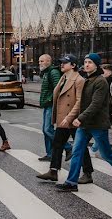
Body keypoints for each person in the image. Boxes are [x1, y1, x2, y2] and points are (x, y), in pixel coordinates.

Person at [56, 53, 112, 193]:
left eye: (90, 62)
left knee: (107, 154)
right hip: (86, 124)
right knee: (77, 151)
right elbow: (82, 102)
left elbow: (96, 104)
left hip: (97, 124)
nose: (87, 64)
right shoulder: (89, 79)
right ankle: (71, 182)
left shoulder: (100, 81)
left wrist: (80, 118)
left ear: (96, 65)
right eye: (86, 62)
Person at [36, 54, 93, 183]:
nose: (61, 65)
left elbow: (80, 101)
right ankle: (53, 171)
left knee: (81, 146)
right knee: (57, 144)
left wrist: (69, 117)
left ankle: (88, 173)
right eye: (61, 62)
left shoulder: (79, 80)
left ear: (73, 65)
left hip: (72, 119)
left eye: (65, 63)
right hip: (63, 118)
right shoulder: (63, 78)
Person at [38, 54, 64, 161]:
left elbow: (58, 88)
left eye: (42, 61)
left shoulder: (53, 72)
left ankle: (67, 147)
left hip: (51, 104)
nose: (40, 63)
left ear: (49, 61)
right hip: (47, 104)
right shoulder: (46, 73)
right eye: (39, 61)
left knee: (48, 129)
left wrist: (49, 100)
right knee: (45, 130)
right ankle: (49, 154)